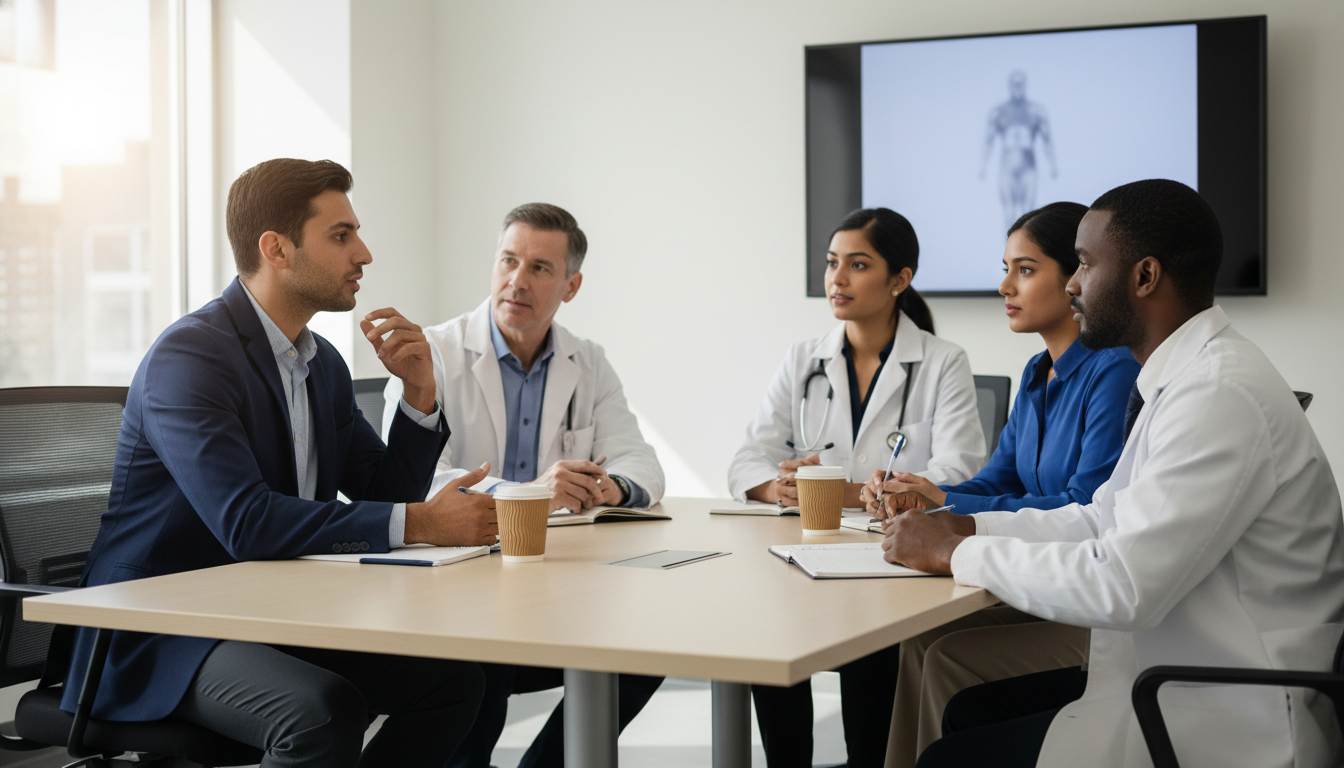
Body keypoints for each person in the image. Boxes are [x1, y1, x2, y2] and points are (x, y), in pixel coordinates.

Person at [43, 158, 501, 766]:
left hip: (268, 612)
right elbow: (247, 522)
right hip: (157, 628)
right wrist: (421, 523)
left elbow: (382, 488)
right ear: (276, 249)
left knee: (456, 683)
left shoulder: (321, 364)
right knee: (320, 713)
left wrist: (419, 395)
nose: (363, 254)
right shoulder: (190, 357)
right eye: (341, 236)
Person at [880, 179, 1344, 768]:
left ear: (1144, 276)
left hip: (1226, 715)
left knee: (950, 757)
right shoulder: (1186, 380)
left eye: (1085, 264)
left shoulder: (1216, 394)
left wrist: (954, 555)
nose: (1073, 283)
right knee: (966, 714)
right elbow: (1103, 517)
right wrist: (970, 529)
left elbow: (1124, 586)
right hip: (1172, 680)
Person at [383, 203, 665, 768]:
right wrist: (533, 493)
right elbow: (411, 481)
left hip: (550, 584)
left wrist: (605, 486)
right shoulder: (433, 354)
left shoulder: (588, 361)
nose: (517, 280)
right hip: (459, 585)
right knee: (484, 667)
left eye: (539, 267)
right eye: (508, 260)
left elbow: (644, 466)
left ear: (571, 284)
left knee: (646, 652)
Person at [861, 203, 1139, 768]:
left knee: (946, 657)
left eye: (1026, 270)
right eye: (1006, 268)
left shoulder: (1112, 370)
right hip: (1040, 579)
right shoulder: (1039, 373)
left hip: (1083, 595)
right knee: (916, 640)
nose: (1004, 285)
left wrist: (949, 506)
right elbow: (998, 479)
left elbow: (1086, 505)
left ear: (1076, 279)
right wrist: (930, 492)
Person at [727, 207, 986, 768]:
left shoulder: (942, 362)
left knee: (872, 659)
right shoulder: (804, 359)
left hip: (892, 566)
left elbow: (961, 473)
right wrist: (779, 489)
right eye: (831, 264)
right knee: (771, 642)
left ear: (900, 279)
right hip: (805, 557)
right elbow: (747, 458)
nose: (836, 280)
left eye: (858, 264)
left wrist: (840, 492)